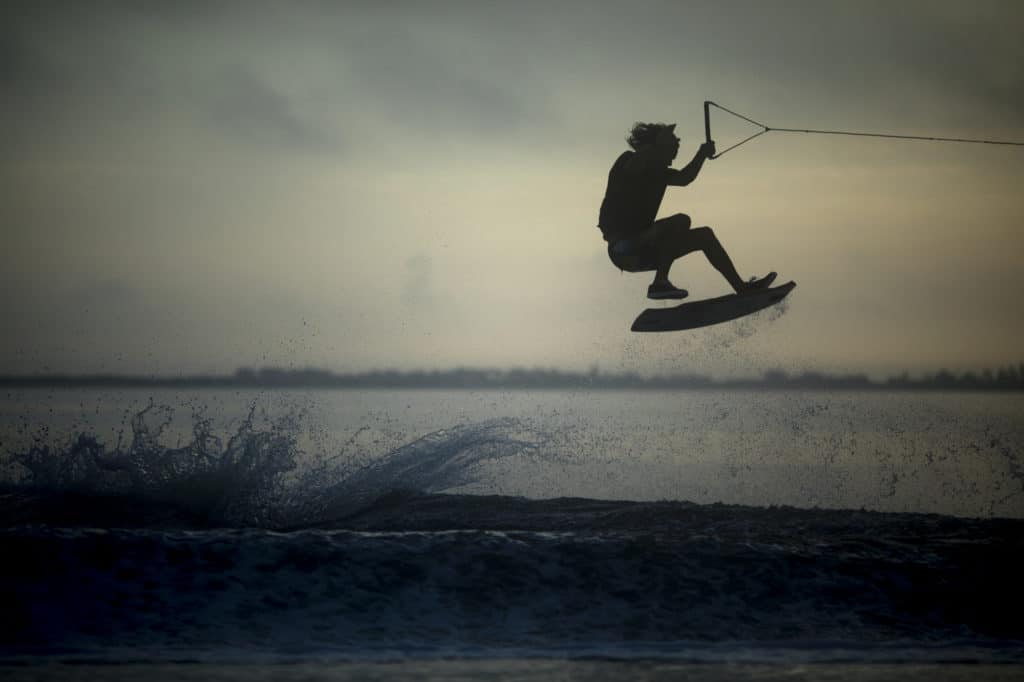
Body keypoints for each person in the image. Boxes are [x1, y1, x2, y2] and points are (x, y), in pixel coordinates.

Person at [598, 122, 775, 299]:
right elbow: (639, 162)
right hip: (623, 249)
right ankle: (660, 283)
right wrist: (660, 141)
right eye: (671, 151)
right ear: (658, 147)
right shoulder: (629, 161)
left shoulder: (660, 173)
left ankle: (742, 289)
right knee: (680, 221)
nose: (672, 159)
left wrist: (702, 153)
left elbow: (685, 178)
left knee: (705, 236)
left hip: (643, 250)